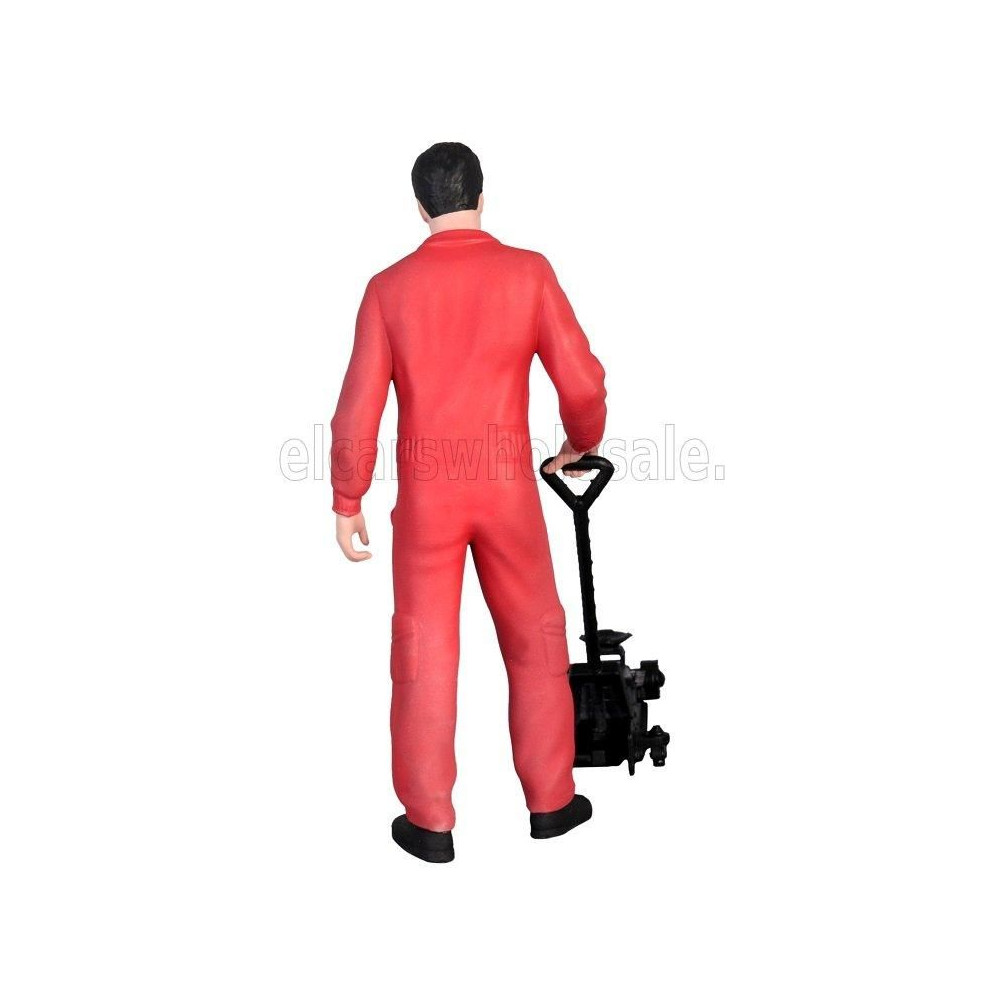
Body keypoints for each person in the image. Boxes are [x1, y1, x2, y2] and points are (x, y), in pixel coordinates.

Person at [331, 142, 607, 862]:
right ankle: (552, 803)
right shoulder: (529, 273)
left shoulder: (388, 289)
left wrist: (347, 495)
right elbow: (581, 382)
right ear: (482, 198)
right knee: (537, 640)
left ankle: (429, 822)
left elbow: (358, 408)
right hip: (508, 490)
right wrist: (581, 442)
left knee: (423, 649)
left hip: (428, 500)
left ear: (419, 207)